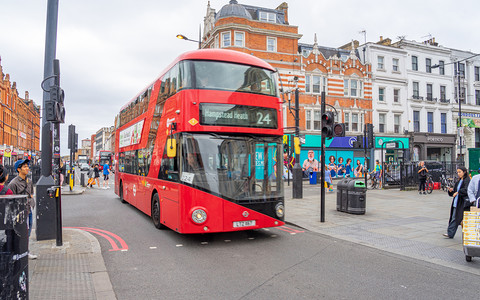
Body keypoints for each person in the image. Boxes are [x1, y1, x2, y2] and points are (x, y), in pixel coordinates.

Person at [9, 159, 37, 259]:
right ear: (18, 169)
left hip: (28, 210)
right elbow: (11, 200)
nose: (27, 168)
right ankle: (19, 252)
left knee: (27, 233)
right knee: (21, 233)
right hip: (20, 213)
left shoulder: (29, 181)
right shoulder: (13, 183)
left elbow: (31, 194)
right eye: (24, 167)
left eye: (27, 166)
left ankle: (26, 251)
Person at [444, 166, 470, 238]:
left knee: (456, 218)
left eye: (460, 172)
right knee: (455, 217)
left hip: (462, 203)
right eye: (457, 172)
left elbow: (466, 190)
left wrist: (458, 192)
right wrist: (451, 191)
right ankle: (450, 233)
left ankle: (450, 233)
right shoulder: (459, 181)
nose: (458, 174)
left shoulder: (467, 180)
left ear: (464, 172)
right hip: (456, 202)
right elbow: (455, 191)